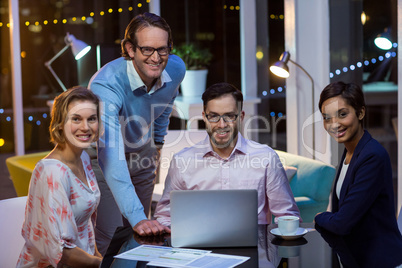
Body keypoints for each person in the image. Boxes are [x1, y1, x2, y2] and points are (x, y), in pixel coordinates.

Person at [88, 12, 184, 253]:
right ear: (130, 49)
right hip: (103, 159)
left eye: (163, 49)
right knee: (111, 237)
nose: (157, 58)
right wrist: (137, 217)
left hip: (142, 152)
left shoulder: (176, 68)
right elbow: (111, 154)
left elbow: (165, 103)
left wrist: (158, 143)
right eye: (147, 50)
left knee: (143, 238)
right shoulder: (105, 85)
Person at [154, 82, 300, 227]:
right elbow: (164, 216)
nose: (222, 125)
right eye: (214, 116)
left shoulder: (267, 158)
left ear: (241, 116)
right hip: (197, 248)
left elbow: (287, 215)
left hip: (255, 247)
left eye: (229, 116)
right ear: (204, 117)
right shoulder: (182, 161)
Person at [314, 81, 402, 267]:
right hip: (356, 259)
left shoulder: (372, 156)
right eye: (326, 118)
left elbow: (342, 222)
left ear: (361, 113)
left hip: (380, 262)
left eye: (342, 114)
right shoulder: (351, 152)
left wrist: (319, 216)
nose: (333, 124)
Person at [16, 87, 102, 267]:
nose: (85, 127)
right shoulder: (53, 172)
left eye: (91, 119)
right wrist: (103, 264)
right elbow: (61, 253)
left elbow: (85, 225)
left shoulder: (84, 158)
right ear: (60, 123)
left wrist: (100, 257)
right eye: (76, 119)